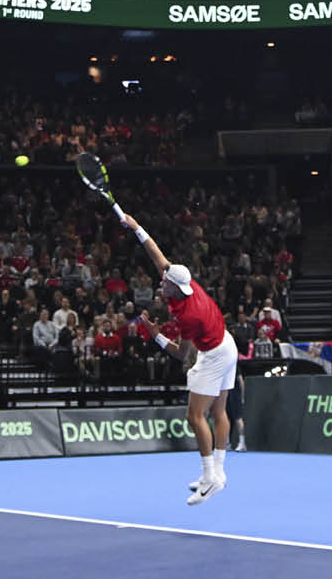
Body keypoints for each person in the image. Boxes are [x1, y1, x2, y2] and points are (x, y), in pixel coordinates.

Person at [122, 211, 238, 505]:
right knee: (219, 411)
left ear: (174, 287)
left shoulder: (190, 314)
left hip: (212, 355)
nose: (161, 283)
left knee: (195, 416)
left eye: (165, 283)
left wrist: (154, 334)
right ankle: (219, 474)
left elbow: (182, 354)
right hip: (227, 345)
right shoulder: (180, 281)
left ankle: (210, 477)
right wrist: (137, 226)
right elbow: (155, 253)